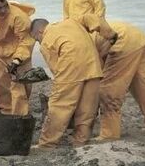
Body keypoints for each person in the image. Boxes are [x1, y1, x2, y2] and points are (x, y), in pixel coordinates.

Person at [29, 15, 115, 150]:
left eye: (36, 38)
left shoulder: (46, 40)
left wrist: (60, 85)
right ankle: (80, 141)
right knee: (87, 108)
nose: (38, 42)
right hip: (93, 64)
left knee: (60, 105)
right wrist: (110, 34)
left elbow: (56, 69)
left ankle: (47, 143)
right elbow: (90, 17)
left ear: (39, 31)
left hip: (70, 65)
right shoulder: (71, 22)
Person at [88, 20, 145, 140]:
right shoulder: (80, 31)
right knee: (143, 88)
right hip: (139, 39)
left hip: (122, 41)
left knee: (108, 91)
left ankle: (110, 134)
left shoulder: (77, 43)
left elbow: (95, 70)